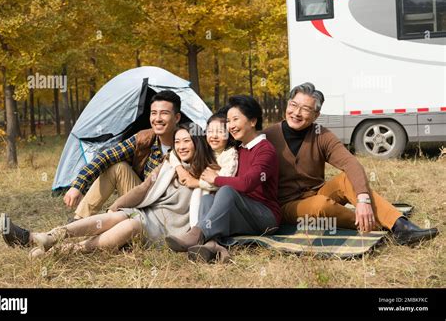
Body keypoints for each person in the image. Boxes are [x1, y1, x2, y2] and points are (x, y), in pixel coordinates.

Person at [2, 124, 218, 257]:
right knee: (119, 216)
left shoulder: (210, 172)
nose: (181, 146)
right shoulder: (168, 163)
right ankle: (46, 237)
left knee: (131, 224)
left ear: (198, 142)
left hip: (167, 229)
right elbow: (144, 187)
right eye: (178, 142)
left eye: (186, 141)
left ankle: (64, 250)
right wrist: (115, 206)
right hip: (147, 213)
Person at [263, 82, 439, 245]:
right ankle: (375, 226)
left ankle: (401, 226)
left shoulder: (321, 135)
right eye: (293, 105)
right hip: (287, 205)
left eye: (305, 109)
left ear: (316, 115)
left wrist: (363, 200)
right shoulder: (268, 136)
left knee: (347, 179)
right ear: (287, 104)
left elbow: (351, 163)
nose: (296, 112)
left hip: (318, 192)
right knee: (320, 205)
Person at [165, 95, 280, 262]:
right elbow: (181, 150)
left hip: (265, 217)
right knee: (207, 199)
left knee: (226, 190)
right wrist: (179, 169)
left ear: (253, 121)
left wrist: (215, 179)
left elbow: (247, 184)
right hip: (242, 213)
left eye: (235, 119)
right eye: (229, 121)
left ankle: (196, 235)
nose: (231, 126)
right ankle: (213, 246)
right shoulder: (238, 147)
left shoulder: (265, 150)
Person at [63, 90, 182, 221]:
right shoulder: (144, 138)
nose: (158, 119)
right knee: (117, 167)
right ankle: (79, 219)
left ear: (177, 118)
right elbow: (107, 157)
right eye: (154, 113)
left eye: (164, 113)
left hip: (167, 210)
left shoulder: (187, 144)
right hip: (143, 199)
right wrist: (77, 185)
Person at [170, 110, 238, 227]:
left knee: (201, 192)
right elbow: (172, 153)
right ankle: (195, 228)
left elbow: (224, 182)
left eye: (220, 132)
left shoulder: (230, 154)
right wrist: (179, 169)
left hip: (221, 198)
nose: (214, 136)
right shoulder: (206, 146)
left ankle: (199, 229)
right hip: (204, 193)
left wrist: (196, 183)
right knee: (199, 193)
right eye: (210, 131)